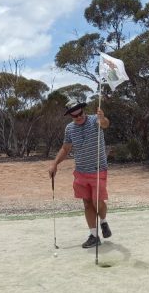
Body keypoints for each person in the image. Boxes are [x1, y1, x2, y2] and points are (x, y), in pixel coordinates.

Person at [48, 99, 112, 248]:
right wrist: (54, 164)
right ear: (70, 115)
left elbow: (105, 124)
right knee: (87, 203)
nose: (78, 117)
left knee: (97, 201)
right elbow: (65, 149)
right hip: (81, 172)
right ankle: (94, 235)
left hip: (98, 169)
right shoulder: (69, 129)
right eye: (75, 116)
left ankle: (103, 221)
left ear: (84, 110)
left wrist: (102, 118)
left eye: (80, 114)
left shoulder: (95, 120)